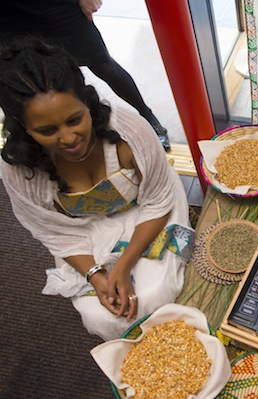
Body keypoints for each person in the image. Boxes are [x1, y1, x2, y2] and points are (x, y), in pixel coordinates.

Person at [0, 38, 194, 340]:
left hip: (146, 213)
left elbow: (158, 200)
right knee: (101, 316)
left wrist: (124, 264)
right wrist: (96, 276)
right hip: (86, 232)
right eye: (47, 131)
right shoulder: (19, 168)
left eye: (75, 119)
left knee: (155, 293)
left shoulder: (130, 133)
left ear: (86, 102)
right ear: (23, 128)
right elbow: (55, 232)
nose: (68, 138)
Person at [0, 0, 171, 151]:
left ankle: (146, 115)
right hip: (7, 14)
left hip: (53, 6)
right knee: (10, 74)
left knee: (103, 65)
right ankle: (19, 135)